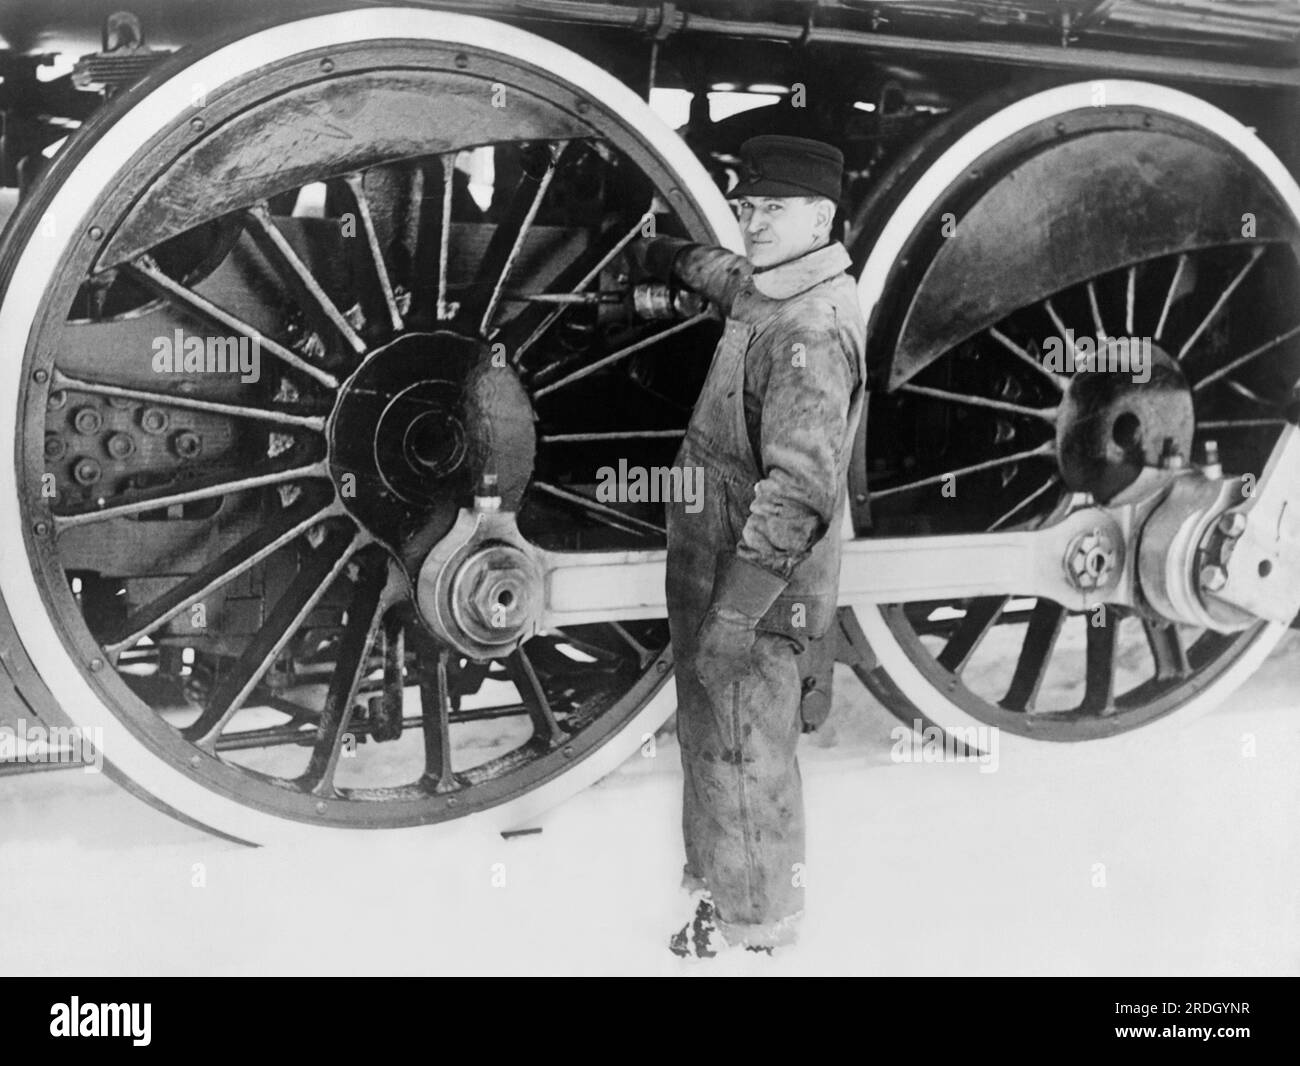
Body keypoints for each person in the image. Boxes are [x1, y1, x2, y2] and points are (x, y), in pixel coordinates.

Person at [629, 134, 867, 958]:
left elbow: (801, 488)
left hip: (754, 588)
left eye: (773, 208)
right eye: (748, 206)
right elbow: (731, 276)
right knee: (713, 748)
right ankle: (718, 905)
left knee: (747, 757)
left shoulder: (811, 327)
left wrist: (737, 614)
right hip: (716, 570)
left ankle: (763, 934)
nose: (754, 221)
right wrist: (670, 253)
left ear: (821, 217)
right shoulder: (773, 288)